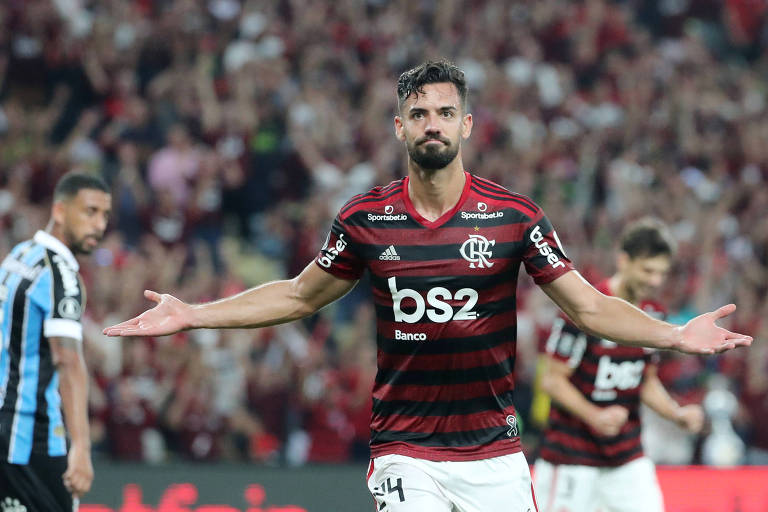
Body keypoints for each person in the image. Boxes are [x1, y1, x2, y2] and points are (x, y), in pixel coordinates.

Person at [103, 61, 751, 512]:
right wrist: (194, 315)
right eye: (419, 114)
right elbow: (298, 296)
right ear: (400, 128)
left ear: (467, 125)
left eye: (446, 112)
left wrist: (674, 336)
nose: (433, 123)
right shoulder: (366, 219)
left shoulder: (514, 216)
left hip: (495, 450)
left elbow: (587, 304)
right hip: (406, 447)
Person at [533, 218, 705, 512]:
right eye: (647, 270)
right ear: (623, 260)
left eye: (661, 273)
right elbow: (552, 380)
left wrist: (676, 414)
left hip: (627, 458)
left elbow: (645, 381)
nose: (654, 281)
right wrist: (594, 415)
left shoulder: (653, 313)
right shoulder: (585, 309)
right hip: (572, 456)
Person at [0, 173, 111, 511]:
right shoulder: (61, 275)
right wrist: (80, 448)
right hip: (32, 438)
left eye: (105, 215)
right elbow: (68, 361)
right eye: (89, 212)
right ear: (60, 211)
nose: (99, 224)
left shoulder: (19, 256)